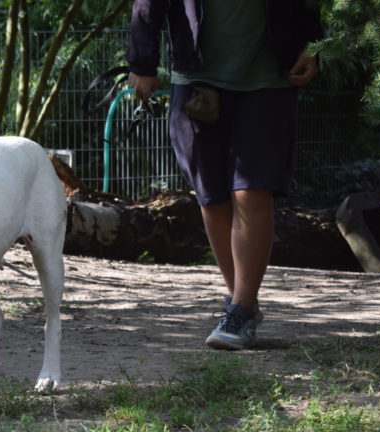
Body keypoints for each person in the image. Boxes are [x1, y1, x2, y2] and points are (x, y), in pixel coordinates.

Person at [127, 0, 323, 350]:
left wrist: (312, 43)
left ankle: (242, 309)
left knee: (251, 190)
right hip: (197, 77)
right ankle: (239, 304)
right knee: (212, 196)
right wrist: (142, 62)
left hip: (269, 80)